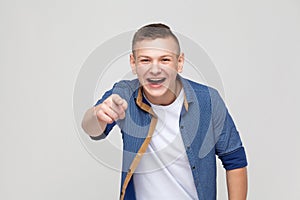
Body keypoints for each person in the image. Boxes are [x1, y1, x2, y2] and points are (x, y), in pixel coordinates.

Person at [81, 23, 248, 200]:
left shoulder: (208, 100)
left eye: (165, 60)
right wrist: (97, 113)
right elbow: (92, 129)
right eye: (145, 60)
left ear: (179, 62)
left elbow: (235, 160)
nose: (155, 69)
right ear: (133, 63)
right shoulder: (124, 94)